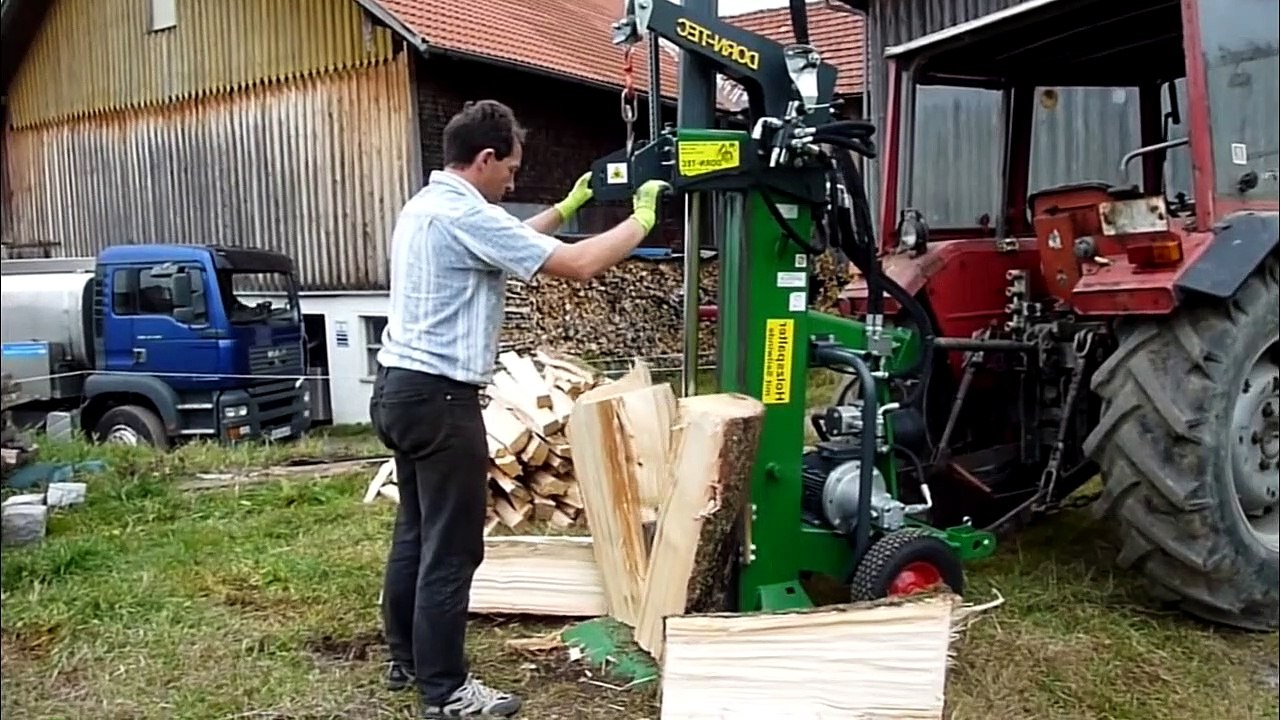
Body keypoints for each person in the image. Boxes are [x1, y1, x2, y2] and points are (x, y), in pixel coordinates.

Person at [367, 98, 670, 719]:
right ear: (484, 159)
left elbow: (511, 243)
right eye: (510, 169)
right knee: (453, 550)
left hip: (399, 389)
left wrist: (569, 208)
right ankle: (447, 692)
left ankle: (407, 659)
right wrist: (643, 220)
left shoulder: (431, 206)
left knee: (417, 533)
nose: (514, 181)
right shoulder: (461, 212)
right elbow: (581, 266)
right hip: (441, 400)